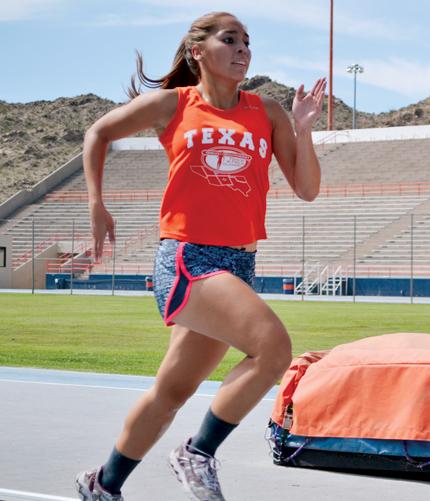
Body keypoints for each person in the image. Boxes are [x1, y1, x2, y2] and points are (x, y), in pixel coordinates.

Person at [75, 11, 326, 501]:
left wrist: (303, 128)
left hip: (238, 264)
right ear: (198, 51)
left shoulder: (267, 111)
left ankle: (102, 486)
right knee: (273, 348)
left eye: (247, 42)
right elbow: (98, 133)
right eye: (229, 40)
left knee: (171, 394)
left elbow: (307, 189)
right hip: (189, 259)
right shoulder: (174, 104)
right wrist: (95, 203)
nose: (242, 50)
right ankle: (198, 453)